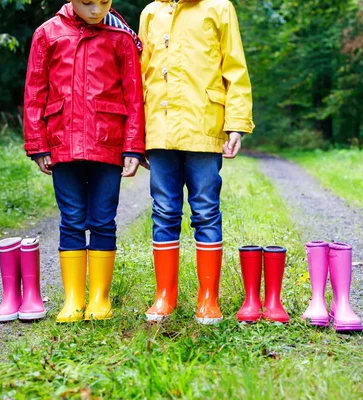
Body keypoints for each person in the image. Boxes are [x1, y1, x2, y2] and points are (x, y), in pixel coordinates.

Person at [23, 0, 145, 323]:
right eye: (87, 3)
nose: (95, 10)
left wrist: (133, 147)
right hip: (62, 144)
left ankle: (100, 299)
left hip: (109, 144)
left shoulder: (121, 37)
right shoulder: (47, 34)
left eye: (102, 2)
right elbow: (35, 91)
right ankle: (74, 298)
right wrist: (37, 143)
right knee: (72, 219)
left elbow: (135, 96)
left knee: (104, 219)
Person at [139, 0, 254, 324]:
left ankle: (208, 298)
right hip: (159, 130)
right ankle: (165, 295)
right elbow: (141, 75)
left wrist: (236, 124)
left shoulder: (219, 8)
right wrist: (136, 135)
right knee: (163, 210)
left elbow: (236, 70)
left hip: (204, 127)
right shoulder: (150, 13)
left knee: (205, 208)